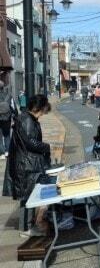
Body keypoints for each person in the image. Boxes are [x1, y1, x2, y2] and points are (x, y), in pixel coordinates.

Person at [5, 94, 51, 237]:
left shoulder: (27, 118)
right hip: (26, 164)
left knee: (30, 195)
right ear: (39, 107)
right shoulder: (26, 120)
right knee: (28, 196)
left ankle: (30, 225)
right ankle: (27, 228)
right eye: (44, 109)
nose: (44, 112)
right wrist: (46, 147)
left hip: (28, 163)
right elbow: (30, 142)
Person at [0, 81, 17, 160]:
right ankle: (7, 151)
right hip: (7, 118)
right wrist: (15, 117)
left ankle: (2, 153)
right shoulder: (9, 95)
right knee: (7, 135)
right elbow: (13, 107)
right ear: (3, 87)